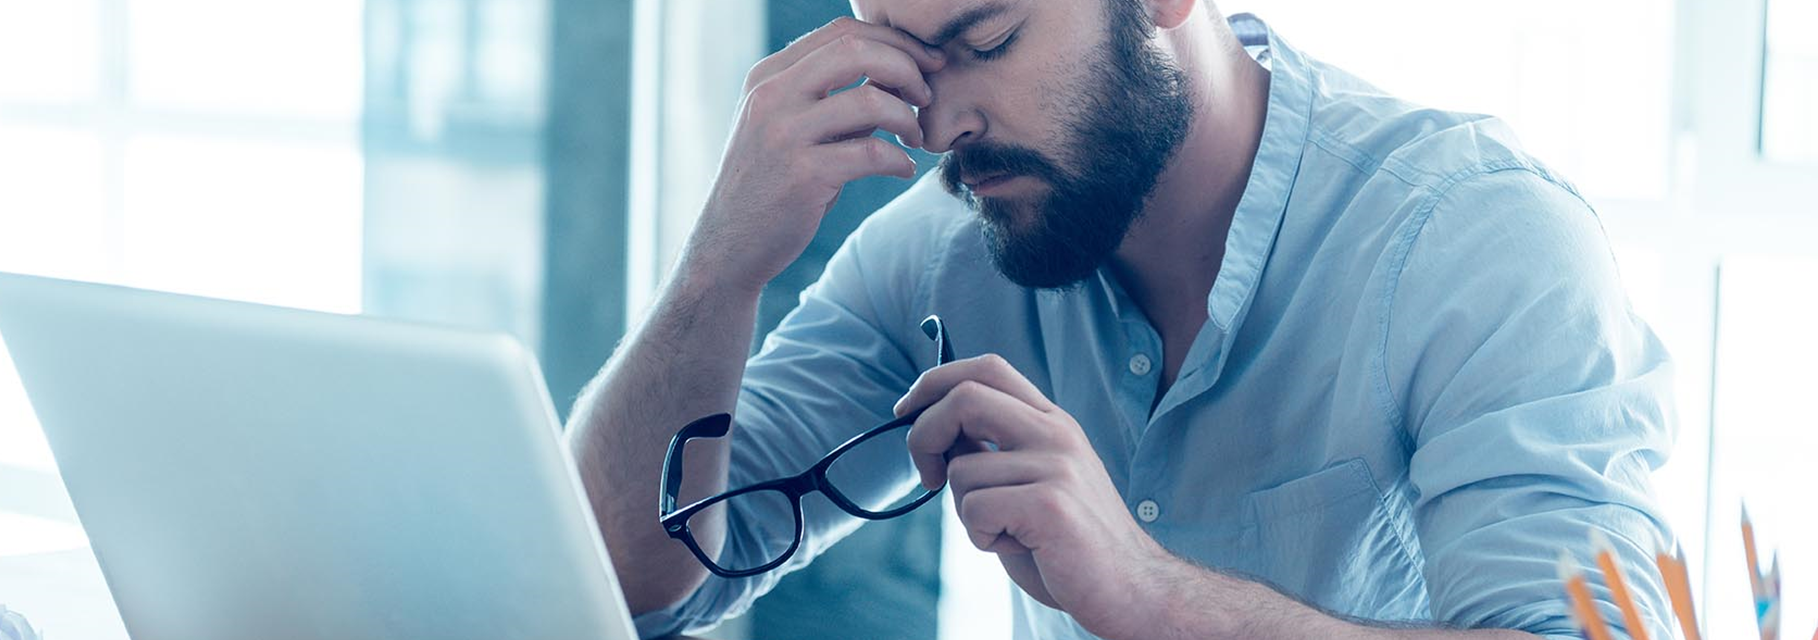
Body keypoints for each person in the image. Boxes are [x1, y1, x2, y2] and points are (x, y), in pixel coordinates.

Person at [567, 0, 1678, 637]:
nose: (942, 121)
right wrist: (720, 265)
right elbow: (627, 586)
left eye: (989, 41)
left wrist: (1149, 593)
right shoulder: (944, 247)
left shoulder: (1478, 245)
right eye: (907, 60)